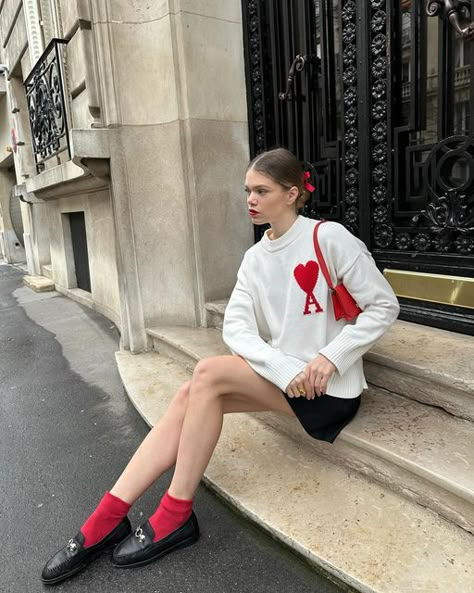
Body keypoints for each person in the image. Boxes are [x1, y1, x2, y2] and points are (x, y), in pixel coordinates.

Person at [41, 147, 400, 585]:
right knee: (191, 392)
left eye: (261, 190)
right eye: (247, 190)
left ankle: (169, 514)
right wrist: (284, 367)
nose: (250, 198)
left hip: (332, 391)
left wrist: (330, 356)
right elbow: (236, 328)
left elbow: (383, 306)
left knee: (207, 375)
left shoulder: (329, 238)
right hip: (288, 383)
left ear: (291, 193)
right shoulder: (255, 258)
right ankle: (108, 517)